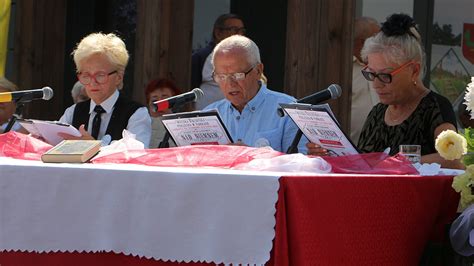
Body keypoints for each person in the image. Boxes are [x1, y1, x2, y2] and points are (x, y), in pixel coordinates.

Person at [309, 14, 461, 168]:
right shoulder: (378, 113)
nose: (376, 84)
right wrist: (328, 154)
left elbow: (453, 159)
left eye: (384, 75)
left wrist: (398, 163)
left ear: (414, 70)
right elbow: (363, 164)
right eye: (371, 74)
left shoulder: (435, 107)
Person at [203, 35, 307, 153]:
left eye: (238, 75)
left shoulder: (289, 110)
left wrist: (251, 156)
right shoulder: (208, 116)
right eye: (221, 77)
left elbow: (300, 163)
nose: (230, 84)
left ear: (258, 71)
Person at [59, 33, 151, 147]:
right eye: (86, 75)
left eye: (100, 75)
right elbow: (54, 144)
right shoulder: (72, 112)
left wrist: (93, 147)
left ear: (118, 77)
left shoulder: (136, 114)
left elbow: (136, 152)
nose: (93, 82)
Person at [192, 13, 246, 110]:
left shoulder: (246, 57)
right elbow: (190, 91)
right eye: (234, 30)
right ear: (218, 33)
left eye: (241, 30)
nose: (239, 34)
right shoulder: (202, 57)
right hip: (206, 117)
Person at [351, 17, 380, 144]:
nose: (381, 43)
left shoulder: (384, 68)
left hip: (382, 149)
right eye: (377, 39)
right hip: (349, 152)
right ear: (362, 42)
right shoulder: (342, 70)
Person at [144, 78, 181, 148]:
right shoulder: (140, 125)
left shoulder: (183, 127)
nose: (159, 105)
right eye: (154, 101)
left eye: (164, 100)